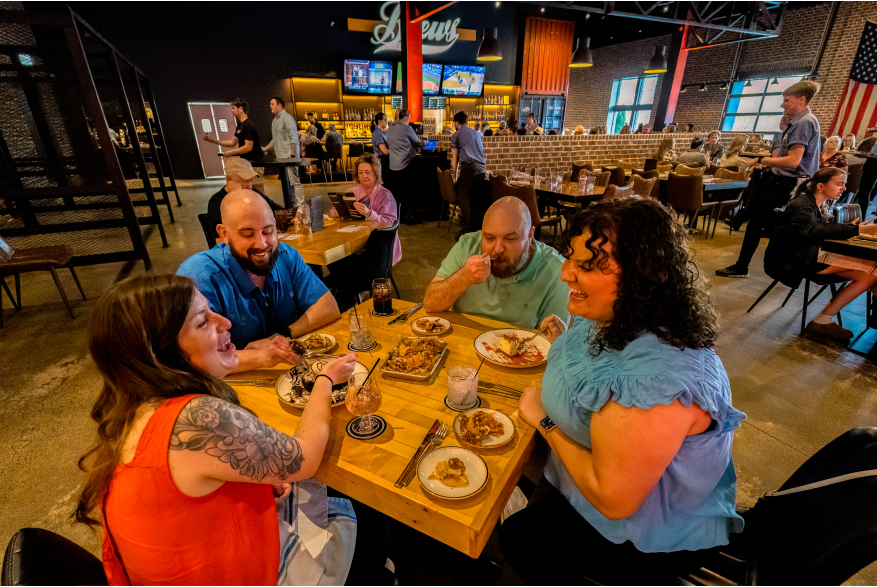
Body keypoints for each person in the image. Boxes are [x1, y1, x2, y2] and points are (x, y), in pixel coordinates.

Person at [74, 274, 391, 585]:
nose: (224, 322)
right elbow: (304, 457)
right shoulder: (194, 418)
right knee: (377, 518)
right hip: (242, 572)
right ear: (160, 355)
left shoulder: (132, 407)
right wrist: (324, 379)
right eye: (202, 322)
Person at [500, 198, 745, 584]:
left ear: (643, 275)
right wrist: (566, 345)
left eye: (586, 266)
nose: (565, 274)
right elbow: (599, 363)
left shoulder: (658, 376)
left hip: (646, 532)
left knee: (518, 539)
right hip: (588, 483)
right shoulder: (617, 312)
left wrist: (545, 422)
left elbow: (613, 498)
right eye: (570, 258)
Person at [178, 191, 340, 372]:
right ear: (224, 234)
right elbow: (192, 357)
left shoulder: (286, 255)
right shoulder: (199, 277)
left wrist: (282, 336)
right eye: (247, 234)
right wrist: (260, 356)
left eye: (268, 231)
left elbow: (328, 307)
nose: (261, 244)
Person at [716, 80, 822, 278]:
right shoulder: (796, 123)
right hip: (778, 181)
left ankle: (744, 266)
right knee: (756, 222)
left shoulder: (804, 122)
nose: (783, 105)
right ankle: (744, 265)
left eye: (787, 100)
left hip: (788, 183)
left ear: (801, 99)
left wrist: (759, 159)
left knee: (761, 226)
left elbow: (793, 161)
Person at [765, 167, 877, 342]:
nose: (844, 188)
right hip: (797, 261)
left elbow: (824, 229)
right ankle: (822, 321)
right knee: (871, 271)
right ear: (820, 186)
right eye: (839, 184)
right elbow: (813, 230)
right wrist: (859, 229)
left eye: (844, 184)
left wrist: (855, 228)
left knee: (870, 274)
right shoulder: (802, 205)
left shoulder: (820, 204)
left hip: (811, 255)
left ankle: (824, 320)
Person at [423, 196, 570, 328]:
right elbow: (430, 304)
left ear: (530, 234)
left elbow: (551, 343)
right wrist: (463, 278)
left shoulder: (558, 272)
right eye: (489, 238)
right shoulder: (468, 245)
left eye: (510, 238)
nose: (498, 249)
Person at [329, 153, 400, 265]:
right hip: (353, 240)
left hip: (378, 247)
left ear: (376, 173)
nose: (364, 176)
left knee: (341, 262)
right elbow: (332, 213)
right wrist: (340, 209)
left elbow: (390, 223)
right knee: (333, 256)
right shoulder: (351, 192)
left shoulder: (385, 195)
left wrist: (369, 214)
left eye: (368, 172)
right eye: (360, 172)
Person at [206, 157, 282, 243]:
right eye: (244, 181)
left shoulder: (253, 192)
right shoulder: (216, 201)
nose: (249, 185)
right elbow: (239, 228)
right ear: (229, 180)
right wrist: (238, 196)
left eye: (250, 180)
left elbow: (278, 211)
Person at [263, 96, 305, 214]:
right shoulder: (274, 121)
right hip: (280, 157)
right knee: (286, 182)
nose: (270, 106)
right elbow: (275, 139)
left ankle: (301, 207)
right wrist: (265, 148)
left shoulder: (287, 118)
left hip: (289, 156)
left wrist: (292, 155)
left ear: (280, 105)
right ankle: (292, 206)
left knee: (294, 181)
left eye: (272, 104)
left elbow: (294, 137)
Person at [387, 108, 427, 224]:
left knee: (396, 192)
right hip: (405, 164)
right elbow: (417, 142)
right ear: (405, 118)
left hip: (393, 164)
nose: (409, 121)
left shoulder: (390, 128)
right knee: (406, 192)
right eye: (408, 119)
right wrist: (424, 143)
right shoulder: (407, 128)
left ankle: (396, 216)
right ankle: (406, 216)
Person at [450, 111, 487, 237]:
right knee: (475, 200)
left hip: (468, 168)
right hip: (481, 169)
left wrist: (454, 177)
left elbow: (454, 159)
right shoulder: (476, 134)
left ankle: (466, 231)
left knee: (464, 198)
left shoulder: (456, 135)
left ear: (456, 122)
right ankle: (476, 231)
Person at [202, 98, 262, 164]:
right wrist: (213, 140)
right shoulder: (240, 126)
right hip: (246, 162)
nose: (232, 110)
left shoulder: (248, 125)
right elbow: (232, 142)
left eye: (233, 108)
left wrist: (231, 152)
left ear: (240, 109)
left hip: (254, 163)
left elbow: (248, 147)